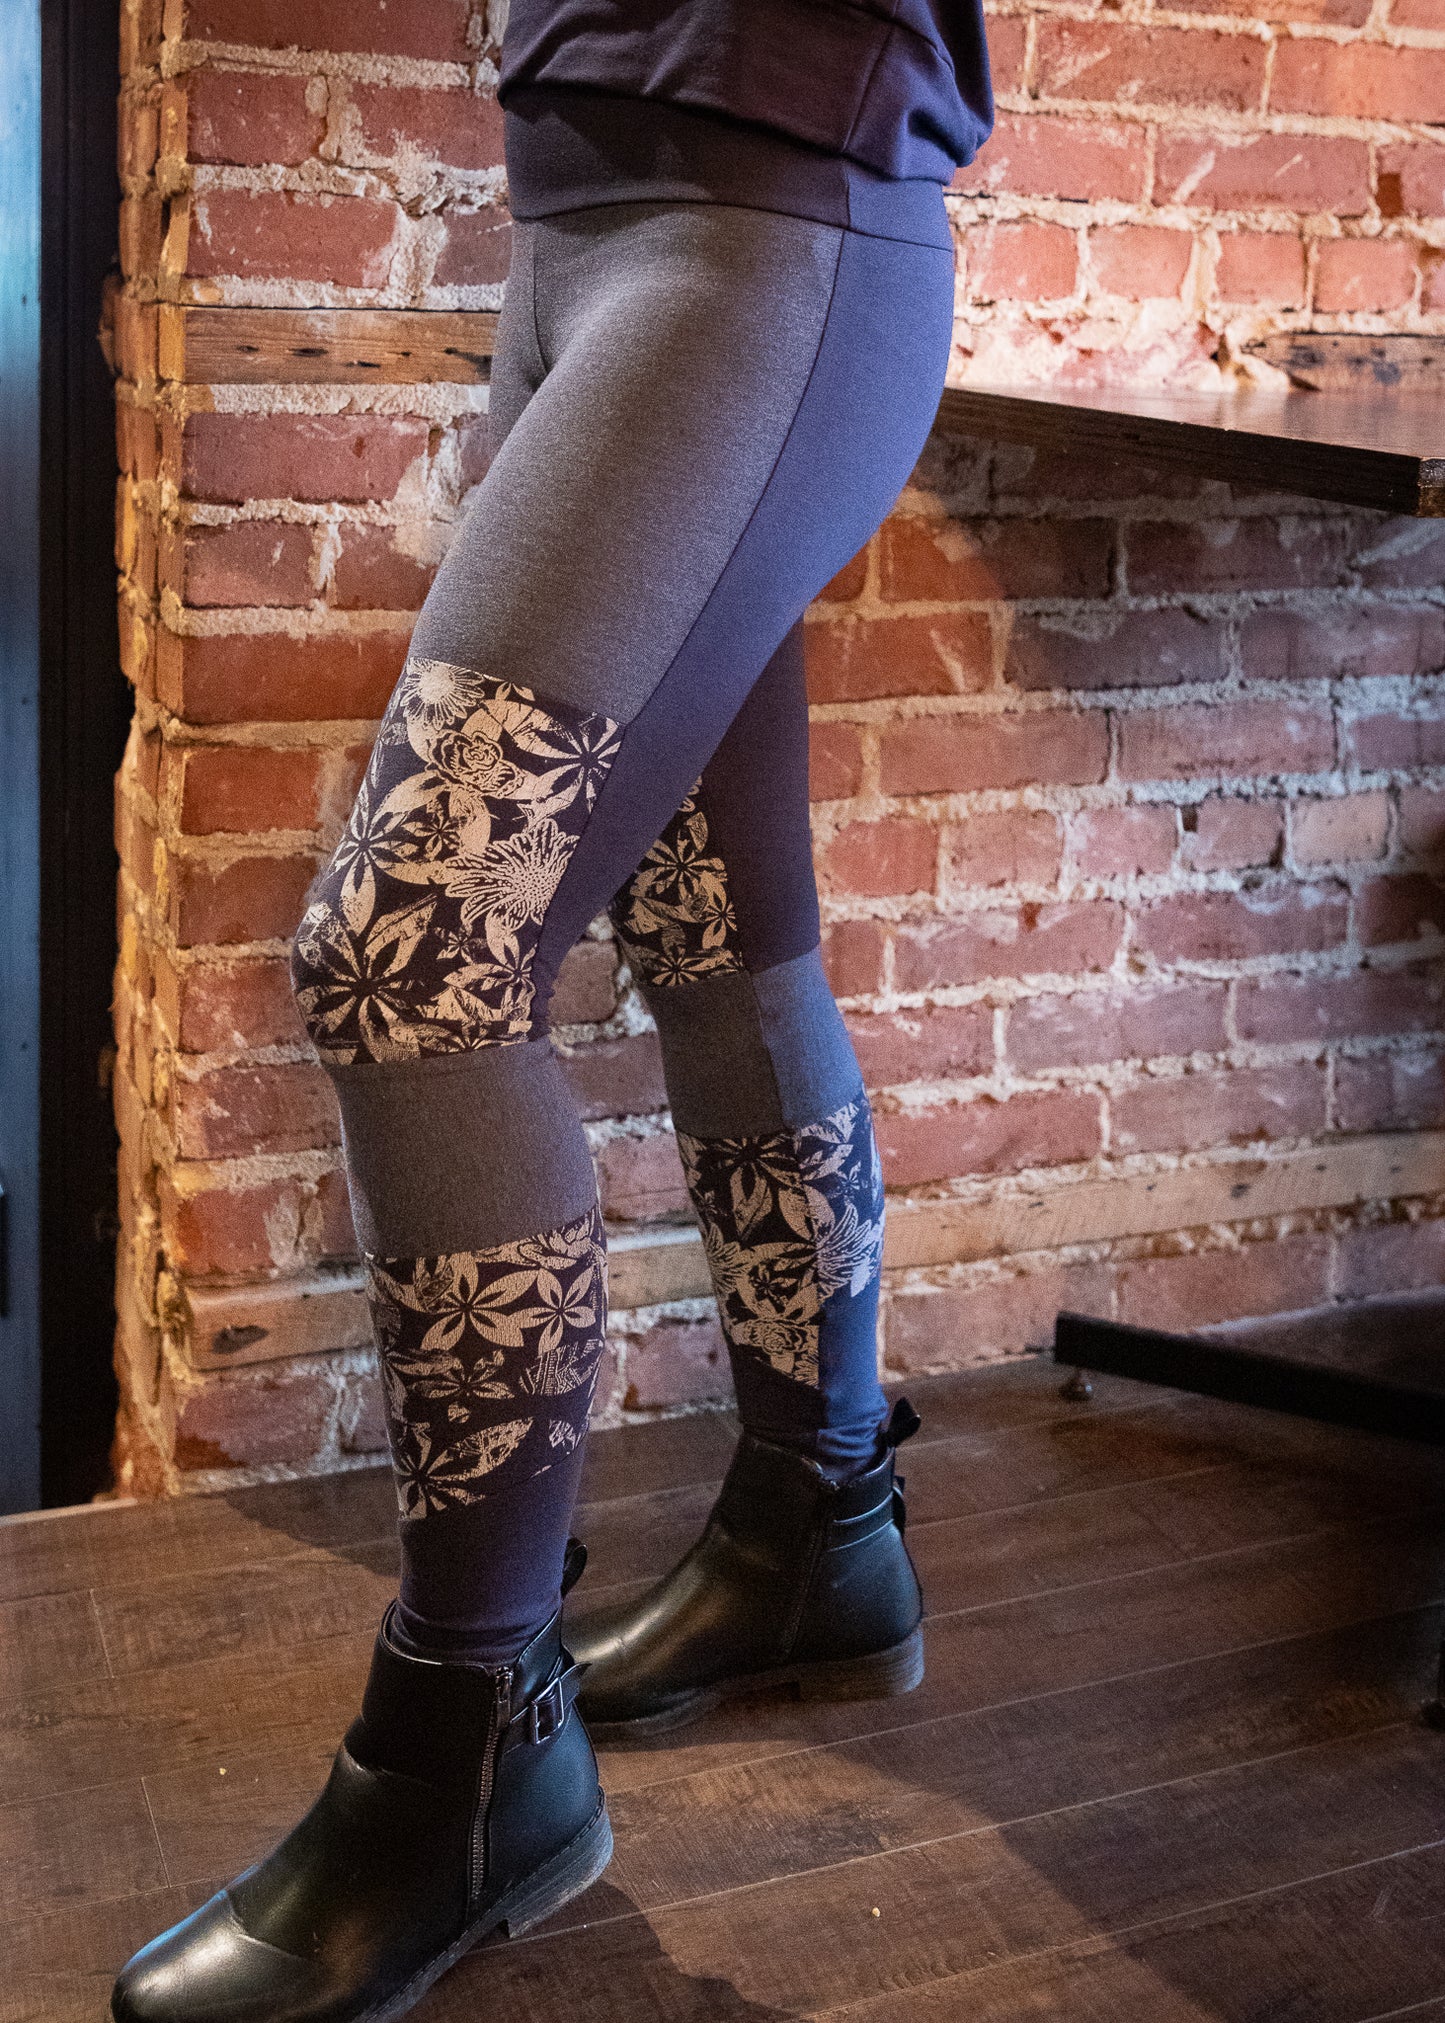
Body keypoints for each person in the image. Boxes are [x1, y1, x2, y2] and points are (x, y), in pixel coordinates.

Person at [111, 4, 993, 2017]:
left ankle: (468, 1745)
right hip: (579, 233)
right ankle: (817, 1533)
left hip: (764, 237)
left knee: (409, 964)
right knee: (715, 928)